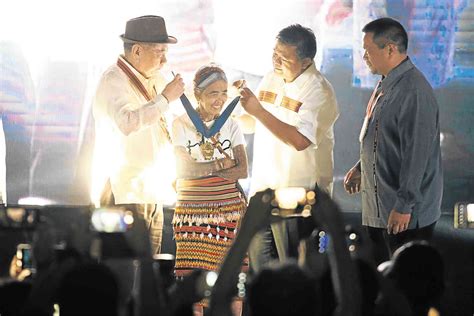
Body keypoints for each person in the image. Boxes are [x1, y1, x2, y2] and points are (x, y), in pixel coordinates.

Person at [239, 24, 339, 272]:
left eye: (283, 58)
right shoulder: (271, 77)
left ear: (305, 62)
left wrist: (258, 110)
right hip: (263, 192)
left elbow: (299, 140)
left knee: (294, 271)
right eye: (274, 53)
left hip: (299, 200)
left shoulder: (319, 90)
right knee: (260, 273)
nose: (275, 61)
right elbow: (253, 124)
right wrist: (230, 109)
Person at [343, 17, 443, 264]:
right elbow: (382, 136)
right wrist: (361, 167)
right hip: (383, 208)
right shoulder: (388, 84)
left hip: (402, 216)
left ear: (389, 48)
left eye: (367, 50)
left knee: (403, 285)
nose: (364, 56)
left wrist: (404, 205)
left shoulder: (413, 91)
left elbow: (416, 153)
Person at [91, 15, 185, 255]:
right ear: (136, 51)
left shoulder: (153, 78)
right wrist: (165, 98)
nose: (165, 60)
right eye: (160, 52)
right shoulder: (114, 79)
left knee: (148, 273)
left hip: (151, 191)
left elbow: (180, 104)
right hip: (125, 193)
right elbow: (128, 122)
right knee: (125, 270)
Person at [171, 64, 248, 314]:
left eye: (224, 92)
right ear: (198, 94)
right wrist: (219, 164)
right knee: (193, 282)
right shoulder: (181, 123)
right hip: (191, 214)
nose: (220, 99)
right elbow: (183, 171)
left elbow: (242, 170)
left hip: (227, 214)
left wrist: (201, 169)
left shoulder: (232, 124)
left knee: (233, 280)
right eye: (213, 93)